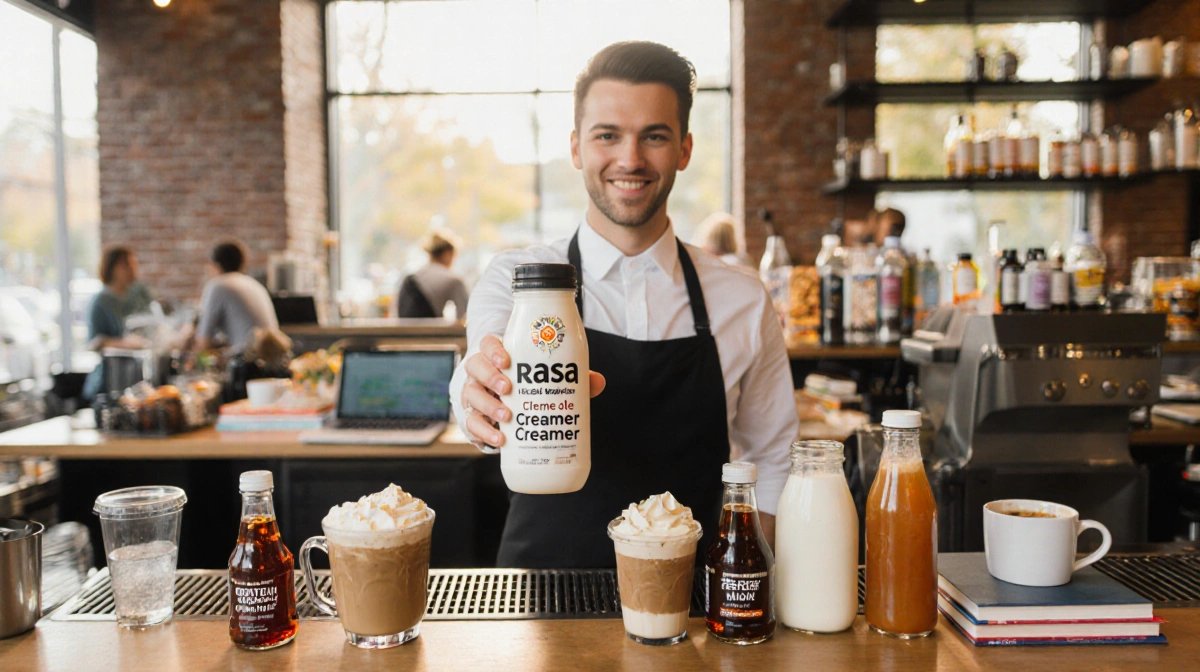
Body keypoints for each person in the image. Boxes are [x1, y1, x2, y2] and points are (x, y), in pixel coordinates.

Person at [449, 41, 798, 568]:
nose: (629, 159)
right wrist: (477, 397)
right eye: (607, 135)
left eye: (654, 136)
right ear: (576, 148)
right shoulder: (517, 282)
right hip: (541, 599)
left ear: (684, 149)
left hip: (697, 602)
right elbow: (484, 360)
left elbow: (773, 461)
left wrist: (755, 581)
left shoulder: (742, 298)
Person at [82, 246, 155, 400]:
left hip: (142, 376)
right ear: (113, 268)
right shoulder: (100, 302)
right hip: (112, 380)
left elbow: (154, 322)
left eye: (134, 264)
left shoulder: (139, 293)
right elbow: (94, 343)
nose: (133, 269)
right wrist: (125, 343)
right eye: (127, 265)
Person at [195, 239, 279, 353]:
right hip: (272, 359)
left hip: (247, 363)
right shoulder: (254, 285)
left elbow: (203, 342)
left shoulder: (218, 285)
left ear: (215, 266)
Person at [397, 228, 470, 319]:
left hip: (402, 332)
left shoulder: (409, 279)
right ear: (447, 254)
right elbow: (466, 317)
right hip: (430, 332)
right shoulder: (454, 280)